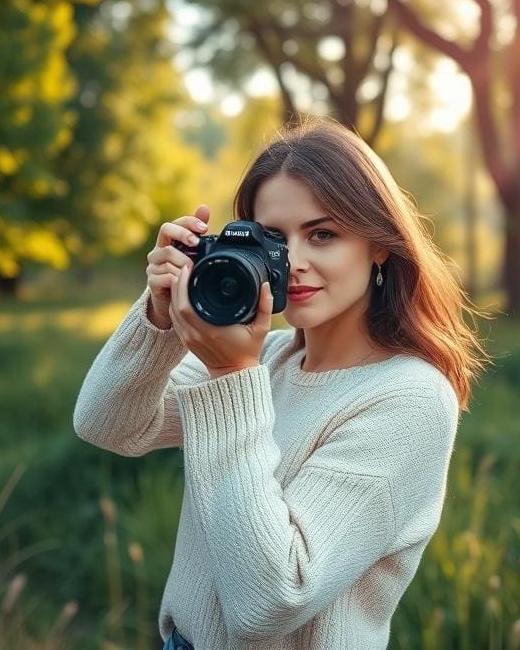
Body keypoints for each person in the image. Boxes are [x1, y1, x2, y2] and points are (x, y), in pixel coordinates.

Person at [73, 117, 489, 649]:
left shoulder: (409, 398)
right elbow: (108, 424)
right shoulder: (266, 360)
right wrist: (157, 319)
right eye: (273, 239)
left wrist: (230, 375)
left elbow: (271, 600)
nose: (293, 263)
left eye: (323, 234)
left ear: (379, 245)